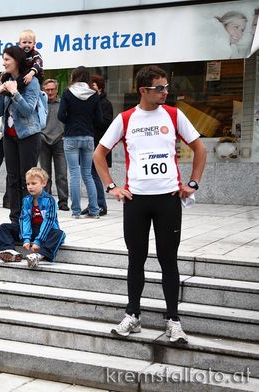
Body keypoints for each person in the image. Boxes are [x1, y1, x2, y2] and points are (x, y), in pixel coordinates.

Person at [93, 65, 207, 344]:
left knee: (169, 259)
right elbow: (99, 153)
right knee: (136, 258)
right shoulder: (126, 118)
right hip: (136, 201)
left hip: (168, 199)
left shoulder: (174, 114)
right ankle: (132, 314)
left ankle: (173, 319)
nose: (165, 92)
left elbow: (200, 148)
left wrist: (192, 183)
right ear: (143, 90)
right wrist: (111, 187)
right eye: (160, 88)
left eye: (167, 87)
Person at [0, 45, 42, 223]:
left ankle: (28, 216)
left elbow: (28, 110)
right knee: (12, 178)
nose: (4, 63)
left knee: (27, 179)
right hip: (9, 136)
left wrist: (15, 92)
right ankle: (15, 218)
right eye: (3, 59)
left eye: (7, 59)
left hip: (28, 135)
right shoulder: (5, 80)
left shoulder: (32, 82)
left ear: (17, 61)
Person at [57, 66, 103, 219]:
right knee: (88, 174)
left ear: (74, 77)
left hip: (71, 136)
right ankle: (95, 210)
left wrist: (71, 120)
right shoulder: (94, 95)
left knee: (74, 174)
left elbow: (61, 115)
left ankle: (76, 211)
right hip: (88, 137)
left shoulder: (68, 93)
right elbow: (99, 120)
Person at [0, 167, 66, 268]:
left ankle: (39, 255)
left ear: (43, 183)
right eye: (28, 184)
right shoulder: (26, 200)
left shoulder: (49, 200)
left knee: (59, 234)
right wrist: (26, 239)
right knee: (4, 227)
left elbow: (48, 221)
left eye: (33, 183)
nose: (30, 187)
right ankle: (10, 252)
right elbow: (24, 219)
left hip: (46, 232)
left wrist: (39, 241)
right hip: (31, 230)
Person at [81, 74, 113, 216]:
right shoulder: (89, 102)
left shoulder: (105, 103)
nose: (90, 88)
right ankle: (93, 204)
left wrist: (92, 116)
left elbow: (105, 123)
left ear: (99, 88)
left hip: (99, 145)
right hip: (88, 143)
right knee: (89, 175)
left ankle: (100, 205)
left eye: (92, 86)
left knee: (94, 175)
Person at [39, 79, 69, 211]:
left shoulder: (63, 103)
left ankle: (63, 202)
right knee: (45, 175)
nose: (50, 92)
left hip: (59, 141)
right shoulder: (39, 103)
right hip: (43, 141)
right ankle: (47, 201)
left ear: (57, 90)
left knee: (61, 174)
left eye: (52, 89)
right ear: (44, 90)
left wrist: (65, 136)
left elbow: (69, 120)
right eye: (47, 90)